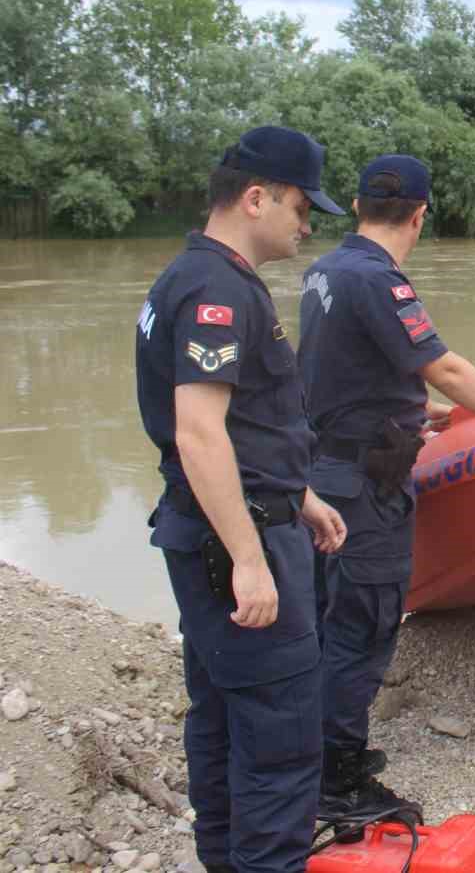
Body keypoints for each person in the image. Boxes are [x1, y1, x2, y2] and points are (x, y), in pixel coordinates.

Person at [297, 154, 475, 823]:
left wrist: (405, 407)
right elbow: (447, 368)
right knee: (362, 629)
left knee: (325, 620)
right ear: (421, 214)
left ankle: (311, 754)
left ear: (359, 203)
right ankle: (335, 782)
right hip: (364, 488)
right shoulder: (379, 280)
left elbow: (331, 369)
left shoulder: (325, 271)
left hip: (325, 470)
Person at [135, 126, 349, 873]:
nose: (306, 223)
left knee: (225, 721)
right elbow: (199, 435)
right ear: (256, 198)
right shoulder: (218, 291)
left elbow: (247, 425)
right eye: (298, 206)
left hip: (220, 530)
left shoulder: (192, 276)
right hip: (234, 545)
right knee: (281, 745)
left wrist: (300, 495)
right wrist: (251, 558)